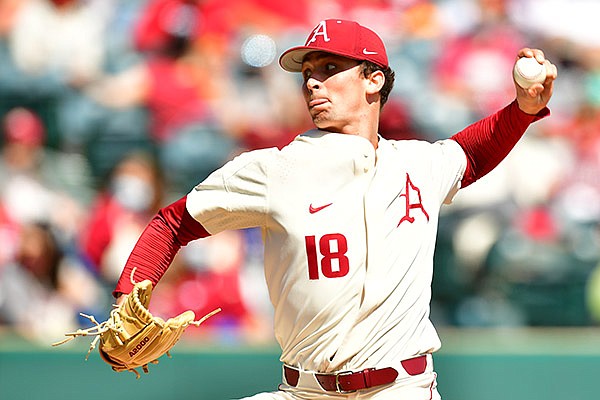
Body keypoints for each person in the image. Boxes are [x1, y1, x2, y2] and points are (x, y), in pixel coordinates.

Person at [111, 18, 557, 399]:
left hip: (400, 389)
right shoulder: (274, 169)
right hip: (304, 390)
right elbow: (172, 223)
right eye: (306, 72)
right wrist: (128, 296)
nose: (311, 82)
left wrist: (523, 108)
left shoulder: (418, 163)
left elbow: (472, 153)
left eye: (329, 68)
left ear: (373, 79)